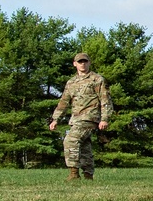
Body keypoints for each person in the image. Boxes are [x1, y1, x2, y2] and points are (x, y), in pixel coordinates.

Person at [49, 52, 114, 181]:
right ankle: (88, 175)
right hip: (76, 118)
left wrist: (104, 119)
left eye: (85, 61)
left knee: (70, 140)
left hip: (90, 118)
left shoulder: (97, 79)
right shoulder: (71, 82)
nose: (82, 64)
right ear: (75, 64)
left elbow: (105, 100)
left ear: (89, 63)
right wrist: (55, 119)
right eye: (80, 62)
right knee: (85, 146)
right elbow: (64, 102)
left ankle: (74, 174)